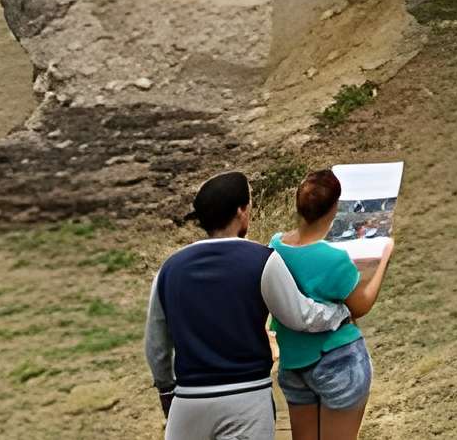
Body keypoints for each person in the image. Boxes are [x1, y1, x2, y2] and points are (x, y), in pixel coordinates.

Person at [146, 172, 354, 440]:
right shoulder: (262, 260)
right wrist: (340, 312)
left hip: (189, 401)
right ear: (241, 211)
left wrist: (166, 388)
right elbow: (302, 317)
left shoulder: (168, 269)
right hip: (246, 398)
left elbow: (156, 345)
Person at [269, 168, 389, 437]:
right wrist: (384, 258)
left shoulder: (274, 246)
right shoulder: (334, 260)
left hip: (294, 364)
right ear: (334, 209)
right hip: (339, 361)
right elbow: (361, 306)